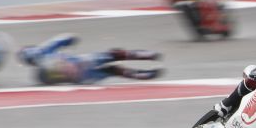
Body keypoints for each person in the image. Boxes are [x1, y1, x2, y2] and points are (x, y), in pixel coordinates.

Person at [17, 34, 162, 85]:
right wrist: (71, 40)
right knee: (114, 55)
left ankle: (145, 74)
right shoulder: (45, 50)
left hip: (83, 78)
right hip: (85, 62)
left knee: (113, 70)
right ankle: (147, 55)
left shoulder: (39, 77)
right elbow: (64, 38)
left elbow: (51, 84)